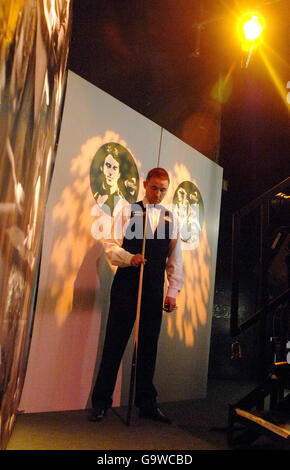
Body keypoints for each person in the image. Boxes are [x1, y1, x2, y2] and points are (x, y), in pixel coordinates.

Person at [89, 167, 183, 424]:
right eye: (154, 188)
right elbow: (110, 246)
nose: (158, 194)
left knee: (148, 346)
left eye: (163, 190)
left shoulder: (169, 219)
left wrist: (172, 291)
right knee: (115, 342)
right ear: (145, 184)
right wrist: (130, 258)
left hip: (153, 287)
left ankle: (146, 403)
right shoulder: (128, 210)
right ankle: (101, 402)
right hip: (127, 284)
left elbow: (175, 259)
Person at [93, 145, 124, 215]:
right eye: (108, 166)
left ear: (119, 174)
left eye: (115, 168)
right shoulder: (96, 196)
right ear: (102, 168)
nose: (110, 172)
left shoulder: (122, 203)